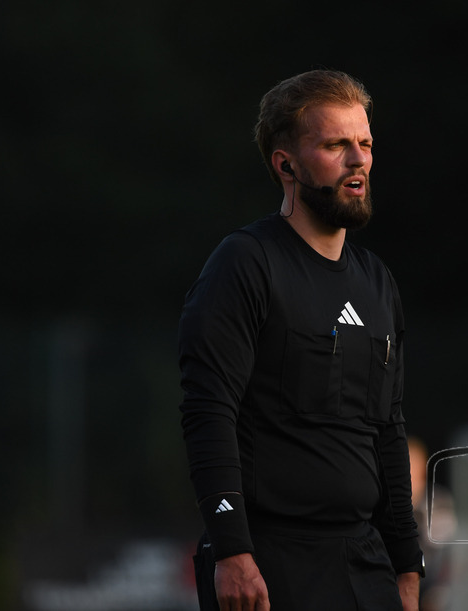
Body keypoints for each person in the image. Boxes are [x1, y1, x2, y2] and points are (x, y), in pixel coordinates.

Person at [179, 69, 424, 611]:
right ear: (285, 164)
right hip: (271, 563)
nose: (358, 160)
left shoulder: (377, 281)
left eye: (364, 144)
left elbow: (388, 430)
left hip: (366, 561)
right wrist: (232, 551)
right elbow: (208, 410)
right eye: (336, 145)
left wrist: (407, 563)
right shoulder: (245, 264)